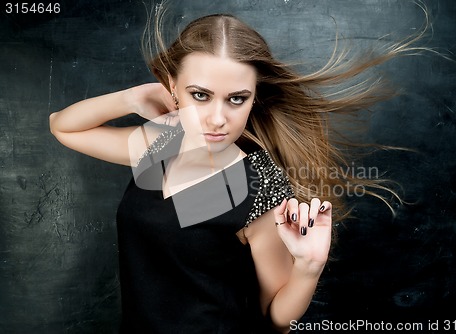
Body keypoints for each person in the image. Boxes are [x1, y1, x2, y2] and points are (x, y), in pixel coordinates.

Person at [49, 4, 427, 333]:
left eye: (236, 99)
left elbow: (275, 319)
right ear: (173, 87)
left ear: (254, 98)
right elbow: (62, 126)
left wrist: (309, 267)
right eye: (200, 95)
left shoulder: (256, 185)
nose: (217, 118)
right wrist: (132, 97)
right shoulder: (163, 143)